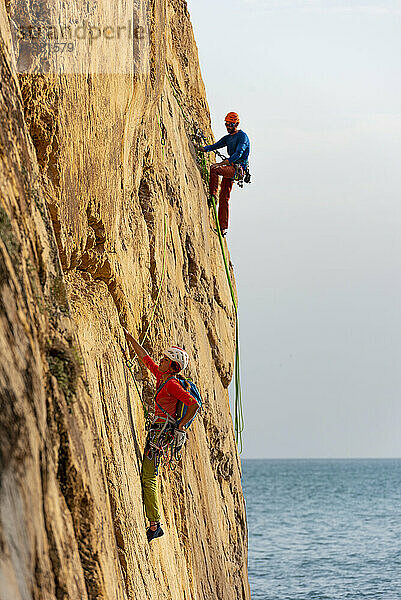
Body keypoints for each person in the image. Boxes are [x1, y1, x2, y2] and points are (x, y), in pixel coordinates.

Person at [123, 329, 199, 542]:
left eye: (165, 359)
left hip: (162, 433)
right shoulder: (161, 376)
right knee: (149, 475)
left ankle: (155, 524)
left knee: (149, 477)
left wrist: (181, 427)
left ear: (173, 366)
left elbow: (194, 405)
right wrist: (130, 339)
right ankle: (155, 522)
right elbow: (145, 358)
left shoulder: (172, 384)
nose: (161, 360)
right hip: (159, 431)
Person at [201, 112, 250, 236]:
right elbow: (216, 145)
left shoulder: (242, 137)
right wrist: (204, 149)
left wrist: (224, 162)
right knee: (224, 197)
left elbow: (239, 153)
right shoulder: (228, 138)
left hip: (238, 170)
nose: (228, 127)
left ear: (236, 124)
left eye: (230, 124)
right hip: (231, 167)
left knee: (214, 168)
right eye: (226, 124)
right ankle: (223, 227)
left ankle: (212, 194)